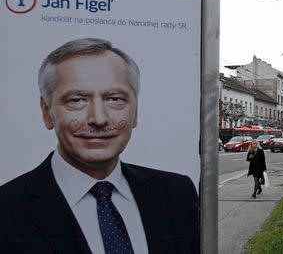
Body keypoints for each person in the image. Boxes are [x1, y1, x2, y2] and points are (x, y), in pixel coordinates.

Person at [0, 38, 199, 254]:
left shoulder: (177, 194)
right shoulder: (7, 209)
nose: (99, 118)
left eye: (114, 98)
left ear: (135, 112)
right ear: (46, 111)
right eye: (77, 100)